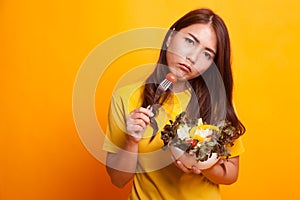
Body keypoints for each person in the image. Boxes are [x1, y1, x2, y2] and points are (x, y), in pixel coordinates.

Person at [103, 8, 246, 199]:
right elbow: (118, 180)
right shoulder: (125, 97)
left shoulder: (217, 101)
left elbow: (231, 175)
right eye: (189, 41)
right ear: (171, 37)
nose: (192, 57)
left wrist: (202, 164)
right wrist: (131, 141)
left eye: (207, 54)